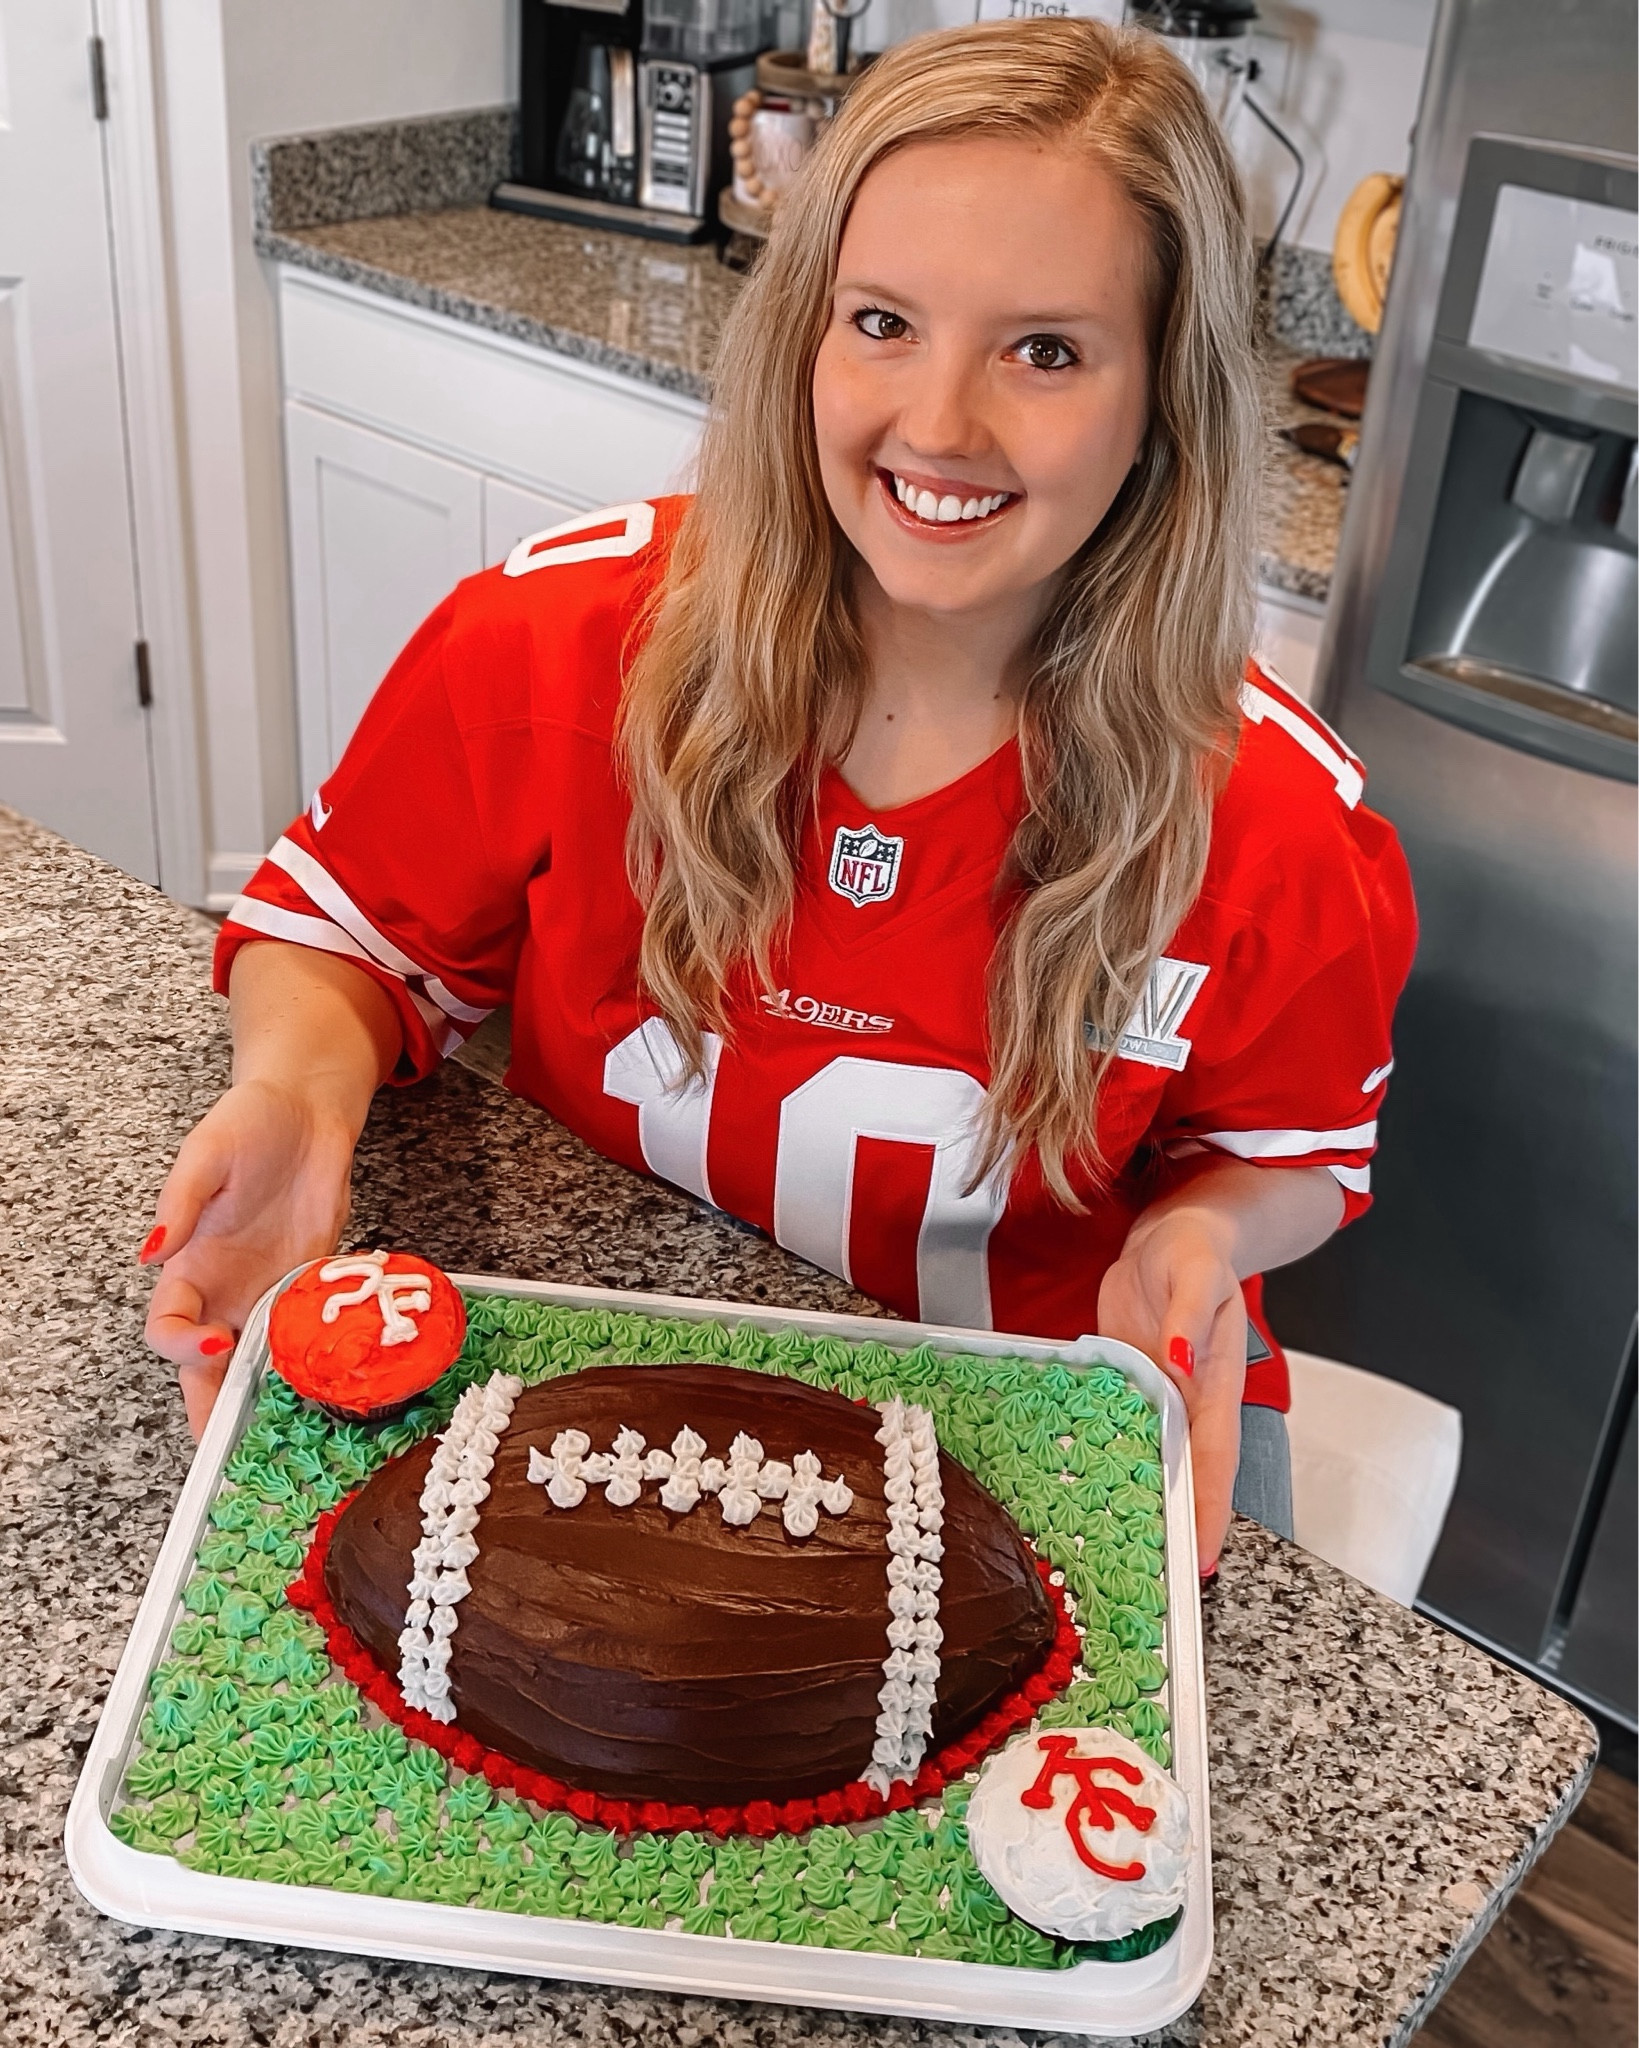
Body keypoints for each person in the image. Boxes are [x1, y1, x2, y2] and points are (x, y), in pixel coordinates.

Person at [139, 18, 1415, 1575]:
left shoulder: (1274, 819)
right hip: (607, 1376)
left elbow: (1288, 1154)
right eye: (883, 322)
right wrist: (294, 1090)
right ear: (800, 332)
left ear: (1166, 399)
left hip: (1035, 1429)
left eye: (1046, 352)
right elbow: (350, 939)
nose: (938, 426)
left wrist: (1200, 1232)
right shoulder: (556, 644)